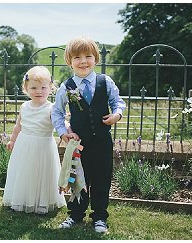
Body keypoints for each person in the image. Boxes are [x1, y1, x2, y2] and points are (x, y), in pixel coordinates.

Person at [51, 37, 125, 233]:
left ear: (96, 59)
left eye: (88, 56)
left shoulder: (105, 81)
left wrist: (116, 114)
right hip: (79, 144)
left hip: (102, 142)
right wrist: (63, 132)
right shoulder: (66, 87)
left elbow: (118, 101)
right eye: (77, 57)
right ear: (69, 61)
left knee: (101, 179)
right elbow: (57, 112)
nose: (83, 61)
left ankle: (100, 217)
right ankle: (75, 215)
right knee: (77, 179)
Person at [2, 66, 66, 215]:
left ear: (51, 88)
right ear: (26, 88)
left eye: (43, 87)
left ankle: (42, 203)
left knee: (43, 173)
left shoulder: (52, 108)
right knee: (24, 172)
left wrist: (68, 129)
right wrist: (12, 140)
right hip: (24, 145)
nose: (39, 91)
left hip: (44, 146)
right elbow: (18, 126)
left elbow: (60, 123)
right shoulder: (24, 106)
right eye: (34, 88)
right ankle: (20, 200)